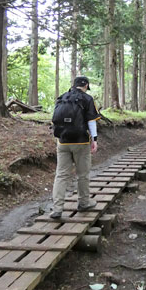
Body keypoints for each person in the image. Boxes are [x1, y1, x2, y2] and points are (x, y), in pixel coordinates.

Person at [50, 76, 100, 219]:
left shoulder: (62, 97)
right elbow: (91, 121)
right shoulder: (87, 99)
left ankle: (57, 208)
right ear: (86, 86)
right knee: (82, 174)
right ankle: (84, 202)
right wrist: (94, 139)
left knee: (61, 175)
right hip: (81, 142)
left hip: (63, 141)